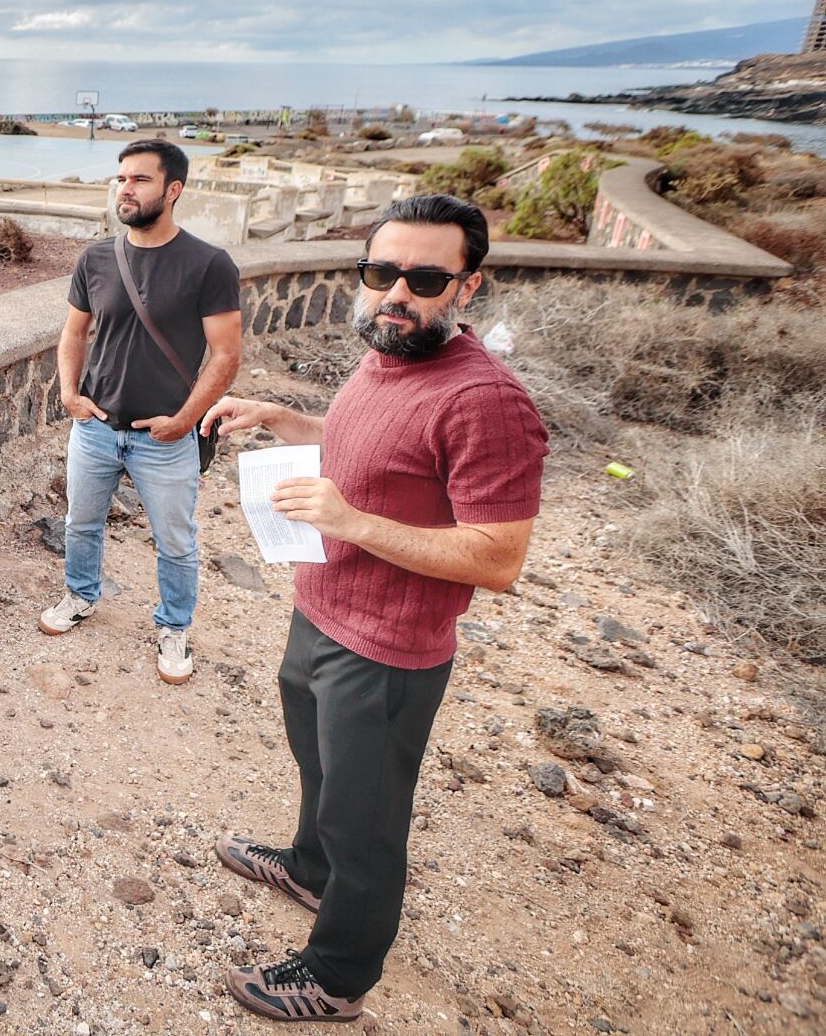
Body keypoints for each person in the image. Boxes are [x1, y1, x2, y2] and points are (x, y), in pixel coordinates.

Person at [200, 193, 547, 1023]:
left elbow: (499, 557)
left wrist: (353, 521)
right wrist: (283, 418)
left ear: (466, 286)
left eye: (424, 277)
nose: (396, 291)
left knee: (367, 820)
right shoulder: (388, 352)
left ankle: (338, 974)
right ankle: (308, 868)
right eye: (381, 270)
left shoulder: (487, 401)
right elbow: (371, 443)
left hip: (389, 648)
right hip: (321, 608)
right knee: (321, 772)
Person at [38, 138, 242, 686]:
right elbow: (73, 332)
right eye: (121, 178)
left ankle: (174, 626)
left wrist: (184, 421)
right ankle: (81, 595)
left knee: (175, 542)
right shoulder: (96, 258)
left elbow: (226, 355)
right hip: (96, 427)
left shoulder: (209, 265)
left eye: (140, 179)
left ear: (173, 190)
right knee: (81, 523)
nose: (125, 189)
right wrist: (69, 393)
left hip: (166, 437)